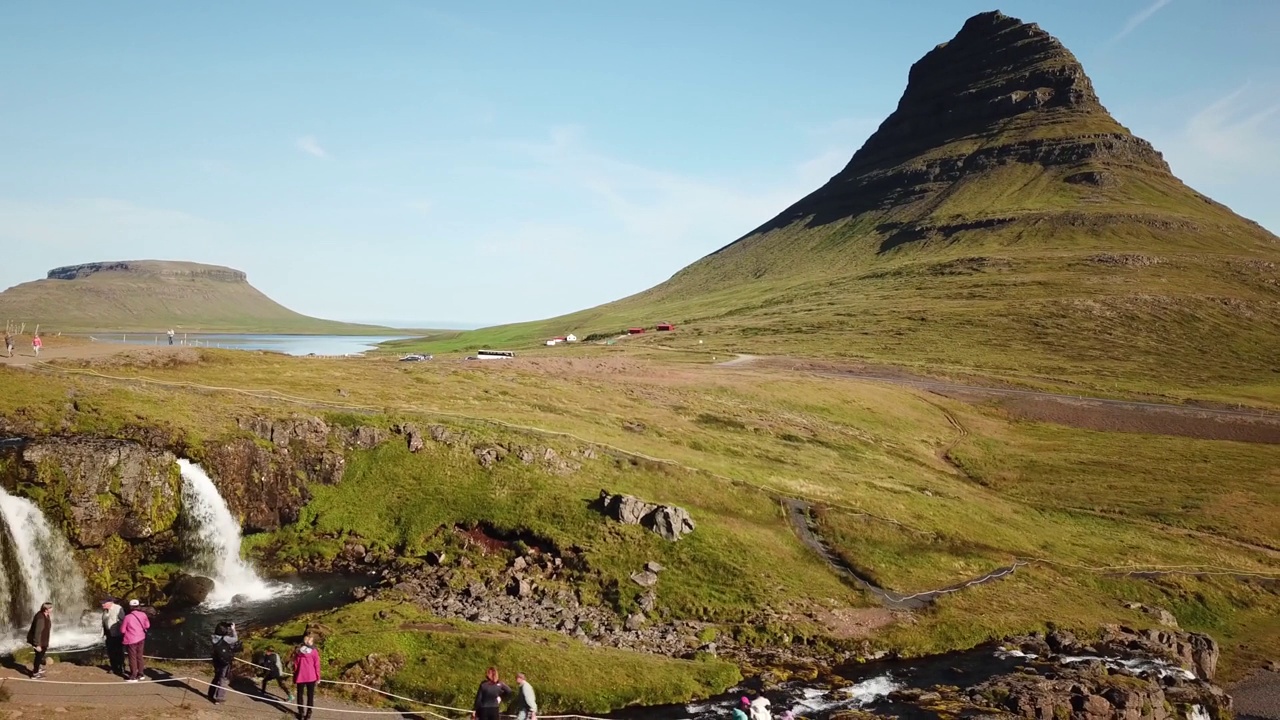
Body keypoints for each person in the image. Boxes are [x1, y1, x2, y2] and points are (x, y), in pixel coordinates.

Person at [291, 633, 321, 720]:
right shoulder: (314, 651)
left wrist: (295, 675)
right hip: (311, 676)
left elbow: (295, 665)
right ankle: (309, 713)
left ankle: (301, 712)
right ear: (311, 642)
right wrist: (318, 677)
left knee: (300, 695)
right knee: (310, 695)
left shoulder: (299, 651)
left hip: (301, 676)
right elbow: (317, 665)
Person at [209, 620, 240, 704]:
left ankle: (210, 694)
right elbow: (235, 639)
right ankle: (219, 698)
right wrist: (233, 629)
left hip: (216, 660)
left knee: (216, 677)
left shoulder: (213, 637)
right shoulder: (226, 639)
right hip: (225, 662)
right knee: (223, 679)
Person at [121, 599, 150, 682]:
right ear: (138, 606)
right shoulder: (143, 615)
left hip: (131, 639)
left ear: (130, 607)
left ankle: (133, 675)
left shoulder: (127, 617)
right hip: (141, 637)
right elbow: (147, 625)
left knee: (132, 657)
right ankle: (141, 674)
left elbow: (122, 630)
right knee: (139, 656)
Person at [26, 602, 53, 679]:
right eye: (50, 608)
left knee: (40, 656)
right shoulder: (40, 618)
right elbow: (37, 632)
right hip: (39, 641)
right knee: (38, 656)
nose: (52, 609)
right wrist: (37, 644)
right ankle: (35, 674)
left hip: (43, 640)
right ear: (46, 609)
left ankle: (38, 668)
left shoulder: (46, 615)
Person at [101, 597, 125, 676]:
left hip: (117, 634)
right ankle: (114, 667)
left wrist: (122, 633)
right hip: (108, 634)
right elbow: (104, 622)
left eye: (104, 603)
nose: (102, 604)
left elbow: (122, 622)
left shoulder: (118, 609)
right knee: (110, 651)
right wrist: (103, 634)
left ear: (110, 602)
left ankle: (121, 667)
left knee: (118, 651)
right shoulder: (105, 610)